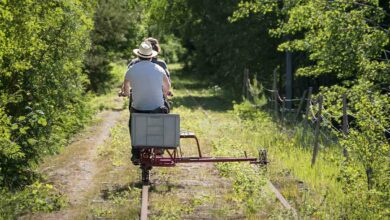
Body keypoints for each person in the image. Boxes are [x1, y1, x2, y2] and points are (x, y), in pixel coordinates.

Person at [119, 41, 171, 164]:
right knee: (165, 110)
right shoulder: (159, 68)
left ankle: (136, 153)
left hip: (138, 109)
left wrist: (124, 94)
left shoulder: (131, 69)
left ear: (138, 55)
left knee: (132, 124)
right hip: (157, 109)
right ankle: (159, 145)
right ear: (151, 56)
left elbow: (126, 91)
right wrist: (163, 94)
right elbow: (167, 86)